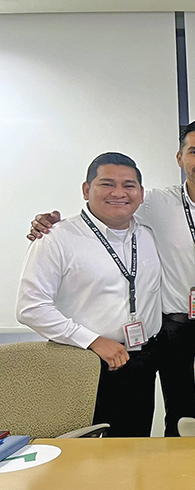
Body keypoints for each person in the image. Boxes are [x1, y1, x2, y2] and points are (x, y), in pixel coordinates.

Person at [26, 119, 195, 436]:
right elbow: (105, 212)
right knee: (179, 420)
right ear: (180, 158)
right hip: (172, 330)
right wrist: (46, 223)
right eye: (194, 151)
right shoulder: (153, 202)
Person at [16, 153, 163, 437]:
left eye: (129, 185)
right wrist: (93, 340)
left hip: (141, 361)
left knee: (135, 448)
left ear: (141, 193)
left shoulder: (146, 235)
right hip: (82, 362)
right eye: (107, 184)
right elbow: (31, 307)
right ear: (86, 190)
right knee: (85, 452)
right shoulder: (56, 237)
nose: (119, 193)